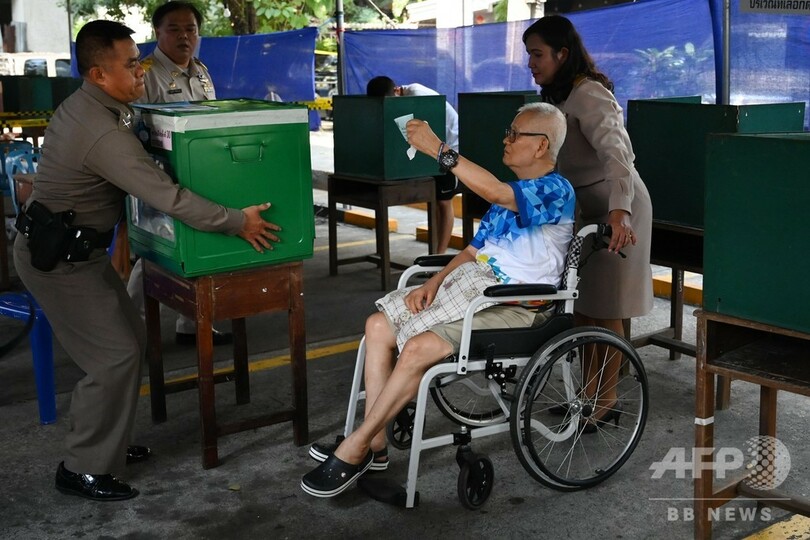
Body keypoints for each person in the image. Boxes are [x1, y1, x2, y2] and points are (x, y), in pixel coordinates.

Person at [13, 20, 281, 501]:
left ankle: (105, 441)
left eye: (138, 59)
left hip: (81, 251)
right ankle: (83, 467)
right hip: (59, 261)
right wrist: (236, 221)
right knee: (114, 357)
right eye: (131, 64)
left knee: (132, 340)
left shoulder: (103, 107)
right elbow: (168, 196)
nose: (141, 70)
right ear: (98, 74)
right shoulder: (101, 132)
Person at [301, 102, 575, 498]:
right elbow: (470, 252)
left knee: (416, 348)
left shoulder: (554, 190)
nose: (506, 139)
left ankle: (356, 444)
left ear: (540, 146)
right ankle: (375, 446)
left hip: (517, 306)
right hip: (476, 288)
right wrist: (433, 282)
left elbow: (494, 190)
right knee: (378, 325)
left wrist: (438, 149)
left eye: (515, 134)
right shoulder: (508, 197)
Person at [522, 15, 653, 421]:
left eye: (538, 54)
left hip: (617, 205)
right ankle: (587, 393)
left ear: (563, 53)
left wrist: (619, 211)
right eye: (529, 55)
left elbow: (618, 153)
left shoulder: (588, 93)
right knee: (583, 306)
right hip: (584, 210)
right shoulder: (558, 95)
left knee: (607, 305)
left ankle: (606, 400)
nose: (532, 63)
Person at [126, 1, 227, 346]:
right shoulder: (145, 72)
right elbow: (136, 128)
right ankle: (131, 327)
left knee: (201, 242)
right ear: (157, 32)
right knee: (154, 250)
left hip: (201, 174)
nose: (184, 36)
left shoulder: (201, 71)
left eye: (191, 29)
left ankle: (191, 323)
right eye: (175, 29)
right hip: (159, 177)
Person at [366, 76, 460, 254]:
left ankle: (439, 256)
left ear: (396, 91)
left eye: (388, 102)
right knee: (437, 202)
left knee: (444, 203)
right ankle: (436, 253)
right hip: (434, 151)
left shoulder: (416, 95)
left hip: (451, 149)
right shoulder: (403, 99)